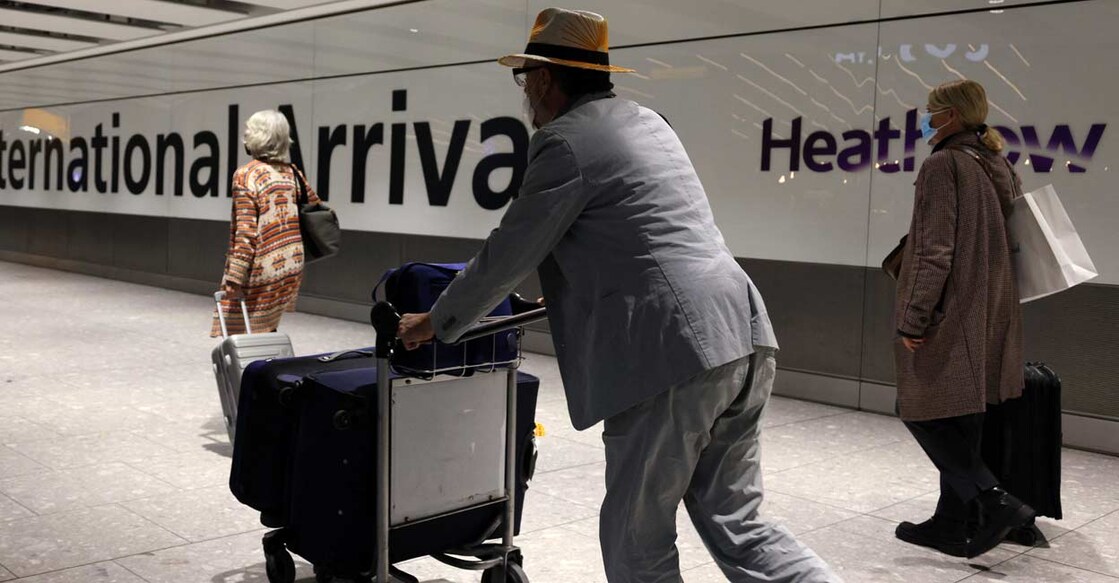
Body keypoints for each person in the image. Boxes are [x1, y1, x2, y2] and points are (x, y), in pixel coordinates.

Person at [397, 8, 838, 582]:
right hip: (742, 331)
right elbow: (637, 236)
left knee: (637, 537)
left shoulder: (564, 142)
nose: (525, 94)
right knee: (739, 523)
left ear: (544, 79)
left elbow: (510, 251)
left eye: (524, 79)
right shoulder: (649, 122)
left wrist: (436, 321)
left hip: (670, 352)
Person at [893, 79, 1034, 558]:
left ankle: (993, 501)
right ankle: (952, 521)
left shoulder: (944, 164)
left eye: (932, 110)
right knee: (963, 414)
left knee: (919, 408)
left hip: (954, 309)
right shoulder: (996, 162)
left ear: (950, 115)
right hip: (994, 307)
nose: (926, 118)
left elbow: (934, 250)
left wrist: (914, 317)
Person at [210, 109, 320, 337]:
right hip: (291, 264)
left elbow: (246, 233)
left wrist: (234, 278)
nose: (245, 135)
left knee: (240, 333)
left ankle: (258, 361)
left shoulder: (246, 175)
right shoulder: (292, 173)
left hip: (264, 266)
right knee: (266, 328)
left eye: (248, 131)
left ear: (257, 136)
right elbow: (315, 204)